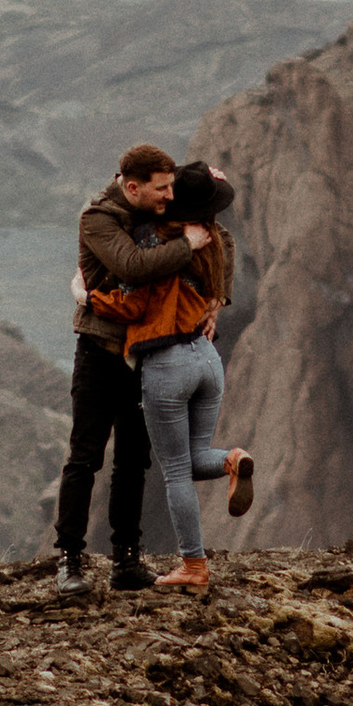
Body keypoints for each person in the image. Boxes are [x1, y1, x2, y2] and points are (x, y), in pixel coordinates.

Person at [52, 144, 229, 595]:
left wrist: (215, 300)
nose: (170, 197)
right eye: (162, 189)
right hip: (99, 352)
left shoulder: (153, 214)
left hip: (146, 356)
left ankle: (125, 561)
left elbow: (219, 237)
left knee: (134, 460)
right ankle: (69, 560)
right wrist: (187, 245)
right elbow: (134, 266)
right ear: (133, 187)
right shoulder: (98, 219)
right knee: (86, 456)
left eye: (172, 187)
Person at [97, 156, 252, 594]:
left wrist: (87, 295)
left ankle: (193, 565)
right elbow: (218, 284)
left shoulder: (155, 240)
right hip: (207, 358)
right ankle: (232, 459)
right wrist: (217, 303)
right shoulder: (217, 244)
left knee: (176, 473)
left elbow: (130, 302)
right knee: (195, 455)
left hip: (167, 362)